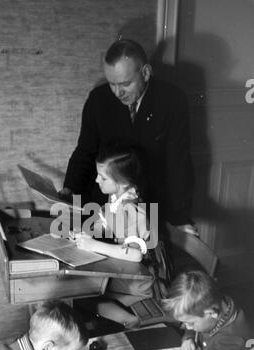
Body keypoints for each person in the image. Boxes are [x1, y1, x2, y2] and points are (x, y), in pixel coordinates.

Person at [60, 38, 198, 237]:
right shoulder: (98, 100)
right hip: (104, 208)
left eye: (125, 84)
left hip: (152, 210)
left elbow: (179, 162)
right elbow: (85, 152)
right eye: (111, 84)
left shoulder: (172, 101)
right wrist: (69, 190)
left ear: (145, 73)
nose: (118, 92)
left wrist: (179, 217)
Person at [73, 145, 169, 329]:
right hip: (124, 273)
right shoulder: (116, 196)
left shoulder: (131, 208)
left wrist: (93, 245)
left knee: (83, 298)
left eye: (103, 177)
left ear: (122, 182)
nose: (96, 180)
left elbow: (135, 255)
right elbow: (106, 223)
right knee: (82, 294)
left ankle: (128, 319)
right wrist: (87, 232)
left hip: (137, 284)